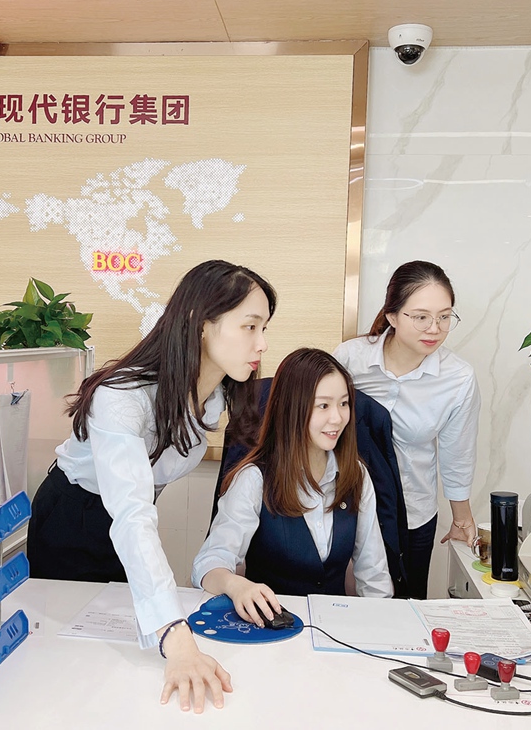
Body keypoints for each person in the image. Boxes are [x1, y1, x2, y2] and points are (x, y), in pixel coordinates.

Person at [27, 259, 276, 713]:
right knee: (69, 659)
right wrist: (176, 638)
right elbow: (131, 513)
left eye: (264, 329)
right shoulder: (121, 396)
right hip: (72, 519)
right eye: (249, 327)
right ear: (201, 324)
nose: (261, 344)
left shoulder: (219, 394)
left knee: (125, 655)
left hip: (128, 522)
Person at [192, 348, 393, 624]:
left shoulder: (356, 475)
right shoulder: (254, 478)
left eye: (344, 403)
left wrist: (382, 629)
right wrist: (235, 585)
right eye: (323, 406)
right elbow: (208, 564)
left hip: (334, 626)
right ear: (291, 409)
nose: (337, 418)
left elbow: (374, 575)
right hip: (272, 629)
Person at [332, 260, 480, 600]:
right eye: (421, 317)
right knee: (338, 606)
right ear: (392, 316)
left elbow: (458, 453)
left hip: (412, 515)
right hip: (344, 506)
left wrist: (462, 519)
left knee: (405, 609)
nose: (434, 329)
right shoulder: (350, 359)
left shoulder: (458, 378)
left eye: (445, 317)